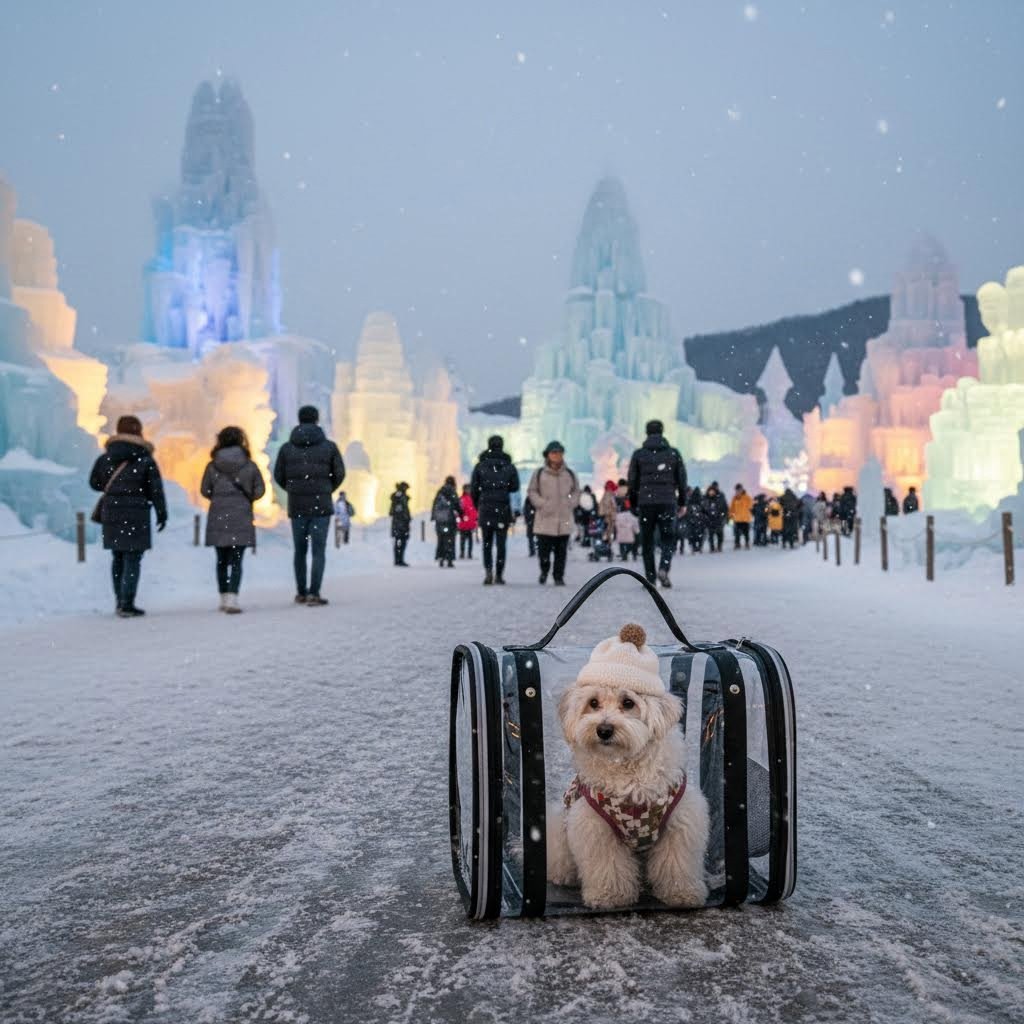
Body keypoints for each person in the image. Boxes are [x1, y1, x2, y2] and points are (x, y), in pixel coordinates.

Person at [89, 415, 168, 617]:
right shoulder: (145, 458)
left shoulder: (105, 457)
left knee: (118, 556)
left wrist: (115, 491)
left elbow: (95, 483)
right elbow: (155, 489)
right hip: (137, 512)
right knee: (133, 557)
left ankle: (119, 601)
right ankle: (127, 602)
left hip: (112, 510)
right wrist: (161, 513)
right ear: (138, 431)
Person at [273, 405, 345, 606]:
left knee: (300, 551)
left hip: (297, 506)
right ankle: (314, 592)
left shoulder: (287, 448)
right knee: (318, 551)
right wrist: (326, 489)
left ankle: (301, 592)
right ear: (316, 419)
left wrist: (294, 489)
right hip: (321, 506)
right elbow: (340, 473)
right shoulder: (329, 447)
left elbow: (279, 475)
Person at [200, 425, 266, 614]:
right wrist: (247, 497)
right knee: (236, 560)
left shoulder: (212, 466)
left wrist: (219, 496)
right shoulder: (249, 465)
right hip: (241, 515)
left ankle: (222, 597)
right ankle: (233, 599)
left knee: (221, 560)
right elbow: (260, 490)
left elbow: (205, 490)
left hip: (218, 515)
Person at [627, 420, 688, 588]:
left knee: (647, 541)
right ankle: (664, 567)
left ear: (647, 433)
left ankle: (650, 577)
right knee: (668, 538)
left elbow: (632, 481)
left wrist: (633, 502)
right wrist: (682, 501)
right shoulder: (673, 454)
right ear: (662, 432)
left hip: (646, 503)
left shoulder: (639, 455)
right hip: (667, 502)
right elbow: (682, 480)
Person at [527, 440, 578, 586]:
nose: (557, 455)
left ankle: (558, 576)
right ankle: (544, 571)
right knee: (544, 552)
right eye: (554, 452)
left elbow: (576, 491)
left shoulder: (569, 474)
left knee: (561, 552)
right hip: (545, 519)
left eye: (559, 452)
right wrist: (542, 504)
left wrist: (571, 503)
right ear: (547, 455)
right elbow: (532, 491)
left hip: (564, 519)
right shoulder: (539, 474)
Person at [470, 434, 520, 585]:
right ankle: (499, 574)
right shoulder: (509, 466)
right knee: (501, 544)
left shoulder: (480, 466)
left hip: (485, 508)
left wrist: (479, 502)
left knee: (487, 543)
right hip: (502, 507)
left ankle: (488, 572)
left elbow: (474, 489)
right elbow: (515, 486)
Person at [431, 475, 461, 568]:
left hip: (440, 519)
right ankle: (449, 560)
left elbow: (434, 503)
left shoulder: (440, 491)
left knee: (441, 540)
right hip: (450, 519)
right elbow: (456, 504)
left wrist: (433, 516)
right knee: (450, 540)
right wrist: (461, 512)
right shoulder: (452, 491)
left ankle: (441, 557)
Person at [390, 482, 412, 566]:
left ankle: (398, 559)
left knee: (399, 542)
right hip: (401, 524)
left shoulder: (397, 497)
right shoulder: (400, 498)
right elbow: (400, 511)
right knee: (401, 542)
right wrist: (406, 518)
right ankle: (399, 560)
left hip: (398, 524)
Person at [703, 482, 728, 553]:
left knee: (719, 533)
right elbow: (704, 507)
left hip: (718, 518)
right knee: (711, 534)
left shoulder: (720, 496)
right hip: (710, 518)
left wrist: (724, 516)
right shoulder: (707, 497)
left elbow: (724, 507)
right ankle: (712, 547)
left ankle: (719, 546)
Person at [729, 484, 752, 550]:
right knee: (737, 533)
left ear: (742, 489)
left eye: (739, 489)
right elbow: (732, 507)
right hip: (737, 518)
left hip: (745, 518)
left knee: (746, 532)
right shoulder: (734, 498)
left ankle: (747, 543)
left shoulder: (747, 497)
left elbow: (750, 506)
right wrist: (730, 515)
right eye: (737, 490)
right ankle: (737, 544)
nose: (738, 491)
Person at [458, 484, 478, 560]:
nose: (468, 491)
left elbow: (475, 510)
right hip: (464, 522)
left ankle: (469, 553)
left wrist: (476, 518)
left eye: (469, 489)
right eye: (467, 489)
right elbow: (460, 509)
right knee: (463, 539)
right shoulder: (462, 499)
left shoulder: (472, 499)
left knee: (469, 539)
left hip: (470, 522)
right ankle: (462, 553)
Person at [597, 481, 618, 546]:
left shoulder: (606, 494)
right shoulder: (610, 494)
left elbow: (601, 505)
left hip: (606, 515)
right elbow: (613, 506)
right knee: (609, 530)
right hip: (609, 516)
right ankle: (607, 543)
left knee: (606, 529)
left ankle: (606, 542)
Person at [687, 486, 706, 553]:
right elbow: (704, 510)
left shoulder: (690, 500)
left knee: (692, 535)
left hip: (692, 520)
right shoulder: (701, 499)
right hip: (700, 520)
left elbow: (688, 510)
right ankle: (700, 547)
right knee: (701, 535)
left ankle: (694, 547)